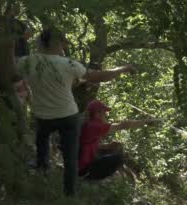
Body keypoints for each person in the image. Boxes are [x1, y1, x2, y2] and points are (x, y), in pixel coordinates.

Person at [17, 27, 136, 195]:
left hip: (43, 114)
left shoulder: (26, 62)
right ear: (57, 43)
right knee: (71, 158)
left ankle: (41, 166)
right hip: (68, 115)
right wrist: (122, 69)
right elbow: (98, 77)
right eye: (63, 43)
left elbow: (10, 75)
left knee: (42, 139)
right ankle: (69, 194)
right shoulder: (69, 63)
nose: (64, 46)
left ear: (40, 42)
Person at [79, 100, 160, 180]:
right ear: (98, 113)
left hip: (82, 163)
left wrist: (107, 146)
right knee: (118, 158)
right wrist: (146, 122)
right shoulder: (96, 126)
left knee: (113, 149)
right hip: (84, 167)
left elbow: (87, 144)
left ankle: (89, 175)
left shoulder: (90, 124)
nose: (105, 115)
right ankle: (89, 177)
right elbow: (124, 125)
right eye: (104, 112)